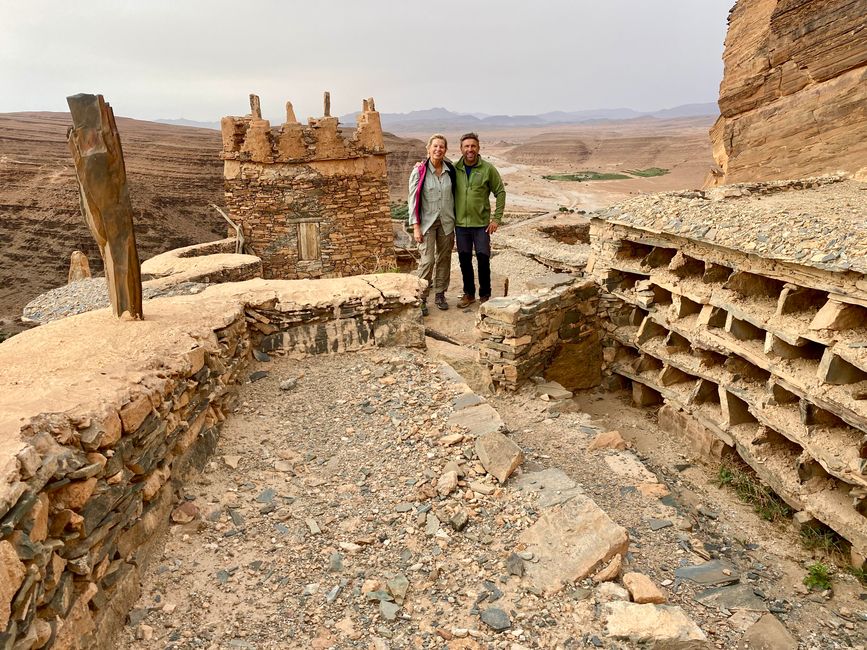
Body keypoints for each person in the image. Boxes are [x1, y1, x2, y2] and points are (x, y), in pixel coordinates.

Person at [453, 132, 506, 307]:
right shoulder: (454, 169)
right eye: (466, 146)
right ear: (461, 149)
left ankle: (485, 295)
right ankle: (469, 294)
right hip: (461, 225)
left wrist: (496, 219)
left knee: (483, 260)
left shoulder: (487, 169)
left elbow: (500, 192)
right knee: (464, 261)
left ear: (478, 148)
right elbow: (435, 169)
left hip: (481, 225)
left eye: (473, 146)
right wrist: (420, 165)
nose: (470, 149)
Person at [407, 133, 457, 315]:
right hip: (426, 223)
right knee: (427, 261)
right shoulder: (419, 171)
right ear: (428, 149)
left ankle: (440, 294)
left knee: (444, 258)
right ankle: (421, 297)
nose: (438, 149)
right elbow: (413, 200)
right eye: (435, 146)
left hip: (447, 221)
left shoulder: (451, 171)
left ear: (446, 150)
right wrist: (416, 226)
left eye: (441, 146)